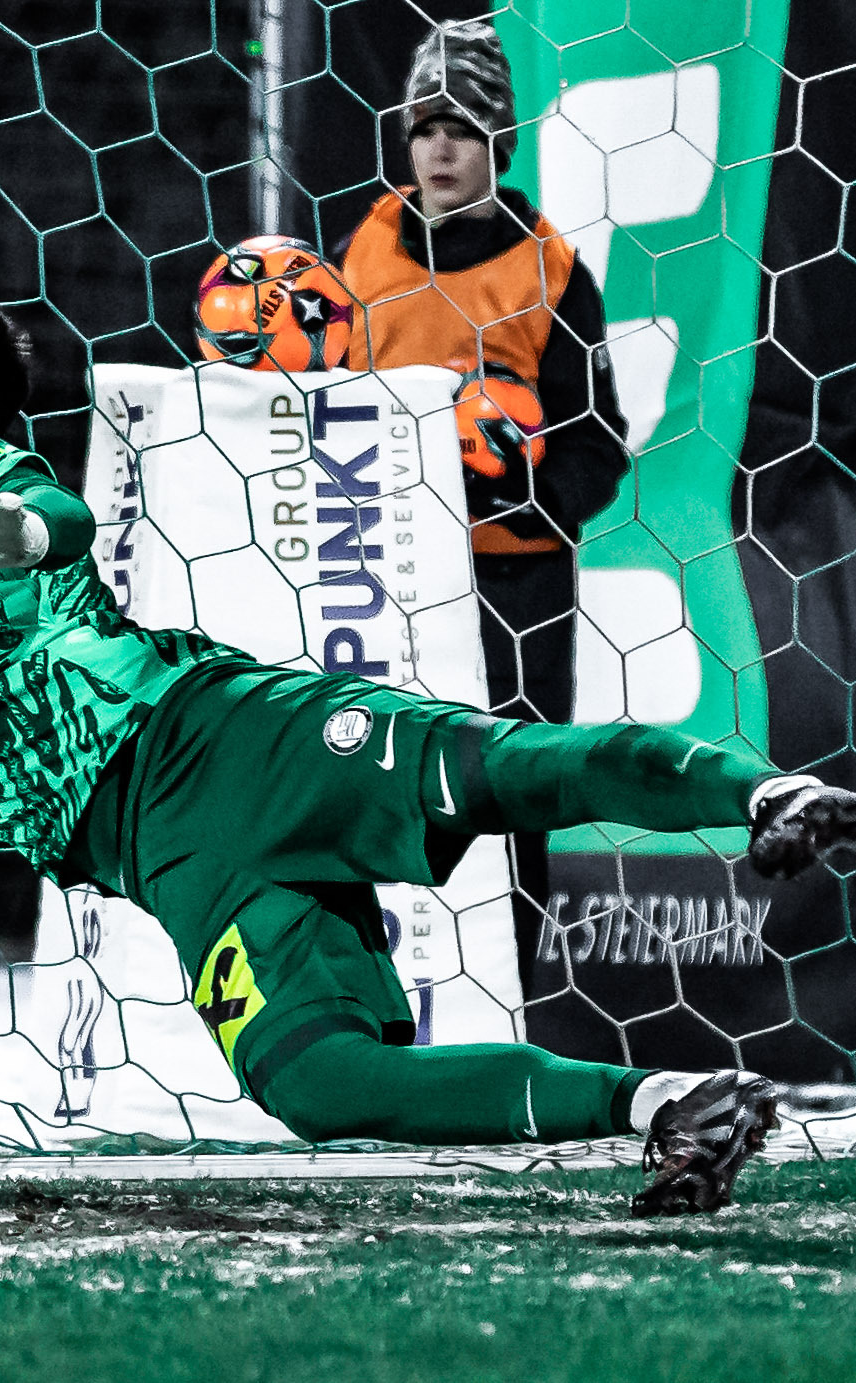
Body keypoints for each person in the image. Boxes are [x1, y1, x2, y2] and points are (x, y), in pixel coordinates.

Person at [0, 294, 856, 1215]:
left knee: (492, 766)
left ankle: (765, 793)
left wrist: (13, 528)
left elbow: (34, 508)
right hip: (173, 862)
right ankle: (667, 1105)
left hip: (213, 739)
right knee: (318, 1084)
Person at [337, 19, 628, 993]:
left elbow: (599, 445)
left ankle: (522, 1005)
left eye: (465, 125)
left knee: (513, 788)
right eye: (426, 126)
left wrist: (522, 489)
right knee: (374, 790)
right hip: (378, 575)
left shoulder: (548, 271)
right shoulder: (361, 256)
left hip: (513, 579)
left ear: (501, 141)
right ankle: (376, 1004)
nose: (442, 146)